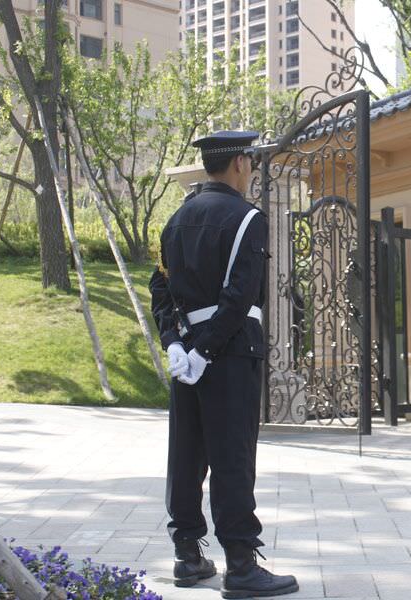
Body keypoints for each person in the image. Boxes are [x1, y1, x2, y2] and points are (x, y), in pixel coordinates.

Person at [149, 130, 298, 598]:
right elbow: (239, 295)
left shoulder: (174, 222)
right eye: (250, 160)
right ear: (239, 163)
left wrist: (176, 344)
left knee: (187, 452)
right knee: (232, 456)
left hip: (189, 354)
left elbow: (160, 290)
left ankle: (187, 556)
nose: (250, 168)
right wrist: (206, 351)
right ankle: (241, 566)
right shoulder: (247, 218)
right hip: (229, 352)